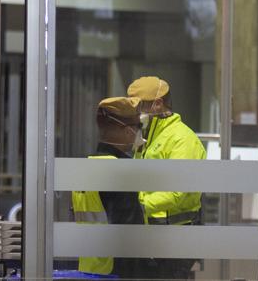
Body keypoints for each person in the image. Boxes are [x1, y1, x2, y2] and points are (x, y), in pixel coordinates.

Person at [127, 76, 206, 280]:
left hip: (175, 240)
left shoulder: (183, 139)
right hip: (150, 236)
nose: (135, 112)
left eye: (139, 106)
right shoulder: (146, 138)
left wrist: (138, 205)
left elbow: (177, 192)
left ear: (158, 104)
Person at [71, 97, 149, 279]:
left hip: (89, 268)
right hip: (116, 271)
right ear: (126, 130)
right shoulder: (118, 172)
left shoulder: (86, 166)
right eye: (138, 127)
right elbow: (129, 233)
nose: (139, 132)